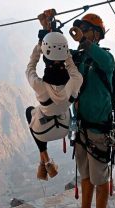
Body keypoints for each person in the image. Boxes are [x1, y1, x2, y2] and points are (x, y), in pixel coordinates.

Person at [67, 13, 115, 208]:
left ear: (96, 34)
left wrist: (85, 43)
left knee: (100, 179)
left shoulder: (105, 59)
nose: (81, 34)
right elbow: (58, 60)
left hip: (99, 131)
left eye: (85, 30)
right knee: (85, 175)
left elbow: (106, 64)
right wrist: (47, 31)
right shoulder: (81, 60)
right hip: (83, 129)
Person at [25, 10, 83, 181]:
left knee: (30, 112)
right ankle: (45, 163)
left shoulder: (40, 86)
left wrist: (40, 46)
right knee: (40, 114)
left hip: (43, 132)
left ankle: (44, 159)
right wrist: (64, 52)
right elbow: (71, 66)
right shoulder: (75, 81)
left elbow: (31, 66)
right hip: (63, 128)